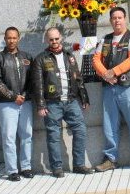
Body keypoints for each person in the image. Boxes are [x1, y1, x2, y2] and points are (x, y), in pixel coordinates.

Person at [92, 6, 130, 171]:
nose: (117, 20)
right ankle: (110, 159)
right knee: (109, 124)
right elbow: (96, 60)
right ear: (110, 21)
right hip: (108, 87)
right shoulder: (105, 39)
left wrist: (114, 72)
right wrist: (106, 75)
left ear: (125, 19)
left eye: (119, 17)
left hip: (128, 86)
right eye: (114, 18)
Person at [32, 27, 93, 177]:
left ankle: (79, 165)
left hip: (71, 101)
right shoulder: (40, 59)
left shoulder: (69, 55)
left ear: (61, 38)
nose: (54, 42)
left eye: (56, 38)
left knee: (80, 130)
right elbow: (38, 84)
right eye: (51, 39)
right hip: (52, 103)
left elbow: (78, 78)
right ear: (47, 40)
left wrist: (84, 98)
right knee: (53, 135)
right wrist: (41, 105)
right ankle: (57, 168)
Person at [0, 26, 34, 181]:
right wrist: (13, 96)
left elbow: (33, 80)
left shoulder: (27, 57)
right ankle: (12, 170)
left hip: (26, 102)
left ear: (18, 38)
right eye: (9, 38)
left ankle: (26, 167)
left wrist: (24, 95)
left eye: (14, 38)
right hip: (7, 104)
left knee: (27, 135)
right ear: (5, 39)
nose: (11, 40)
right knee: (9, 137)